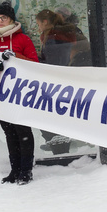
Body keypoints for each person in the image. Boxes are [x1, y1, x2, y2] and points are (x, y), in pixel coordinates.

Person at [0, 1, 40, 185]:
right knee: (9, 133)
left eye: (4, 17)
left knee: (23, 131)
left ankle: (26, 171)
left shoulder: (23, 40)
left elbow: (35, 65)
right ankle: (15, 170)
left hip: (19, 95)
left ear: (12, 19)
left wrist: (15, 57)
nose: (0, 20)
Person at [35, 9, 77, 154]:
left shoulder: (53, 39)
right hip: (63, 80)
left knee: (46, 117)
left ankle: (58, 145)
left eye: (38, 24)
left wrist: (35, 62)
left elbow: (52, 63)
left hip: (55, 82)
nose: (38, 27)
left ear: (45, 22)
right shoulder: (60, 35)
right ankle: (57, 141)